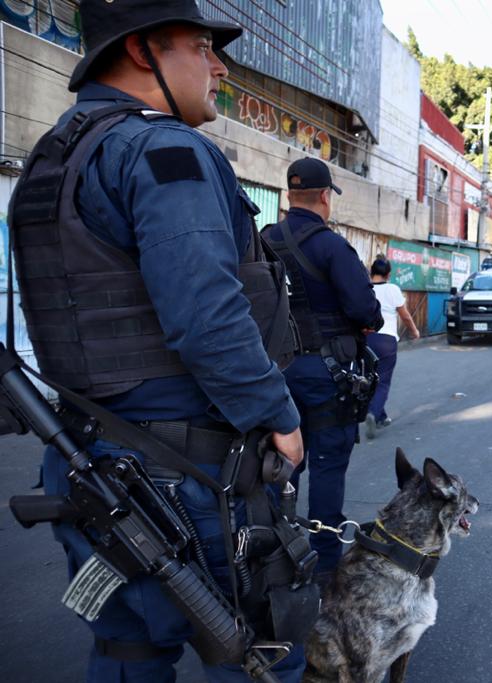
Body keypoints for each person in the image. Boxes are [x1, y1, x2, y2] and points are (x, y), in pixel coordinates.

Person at [8, 1, 308, 679]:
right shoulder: (164, 148)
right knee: (265, 651)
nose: (218, 66)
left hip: (88, 461)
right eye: (201, 46)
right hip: (185, 474)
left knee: (128, 649)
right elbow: (206, 313)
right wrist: (278, 414)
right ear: (144, 51)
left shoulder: (58, 155)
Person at [262, 157, 383, 576]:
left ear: (289, 194)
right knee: (328, 464)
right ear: (325, 196)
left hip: (272, 372)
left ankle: (273, 550)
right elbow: (365, 309)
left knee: (279, 463)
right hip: (327, 373)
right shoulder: (332, 246)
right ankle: (326, 561)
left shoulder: (263, 240)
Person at [365, 256, 419, 439]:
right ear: (388, 274)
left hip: (365, 339)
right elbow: (405, 315)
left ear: (371, 272)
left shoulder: (364, 289)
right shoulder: (392, 289)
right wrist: (414, 331)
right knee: (383, 381)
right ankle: (373, 412)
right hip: (386, 340)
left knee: (369, 378)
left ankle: (381, 416)